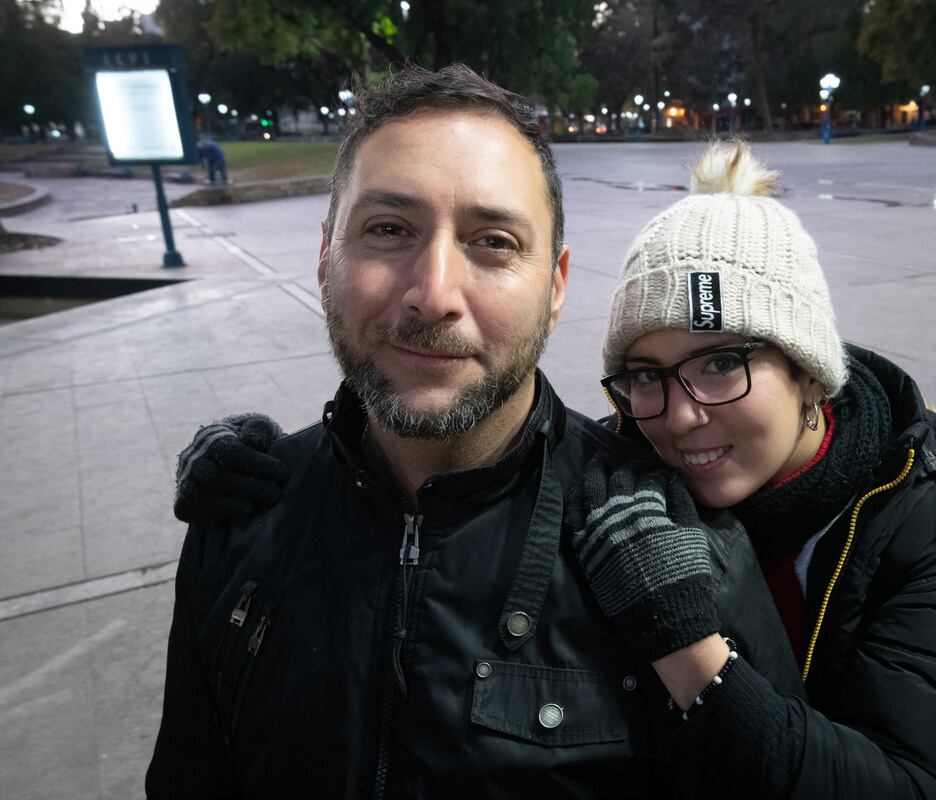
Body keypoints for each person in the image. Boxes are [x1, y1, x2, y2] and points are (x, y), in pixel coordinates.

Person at [176, 140, 936, 798]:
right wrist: (283, 475)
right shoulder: (627, 470)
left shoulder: (922, 518)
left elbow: (911, 785)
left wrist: (688, 646)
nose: (682, 415)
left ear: (806, 370)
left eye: (722, 364)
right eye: (646, 375)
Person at [146, 65, 800, 799]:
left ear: (555, 288)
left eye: (492, 242)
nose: (433, 295)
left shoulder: (672, 549)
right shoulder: (238, 521)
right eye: (389, 230)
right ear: (326, 258)